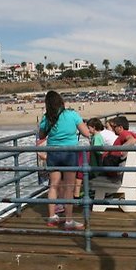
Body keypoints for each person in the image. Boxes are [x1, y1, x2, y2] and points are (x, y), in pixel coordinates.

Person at [38, 91, 90, 230]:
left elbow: (41, 135)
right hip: (70, 152)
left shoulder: (47, 118)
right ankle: (68, 220)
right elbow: (86, 133)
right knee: (69, 186)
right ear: (61, 101)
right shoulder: (72, 114)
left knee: (53, 185)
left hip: (53, 153)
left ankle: (52, 217)